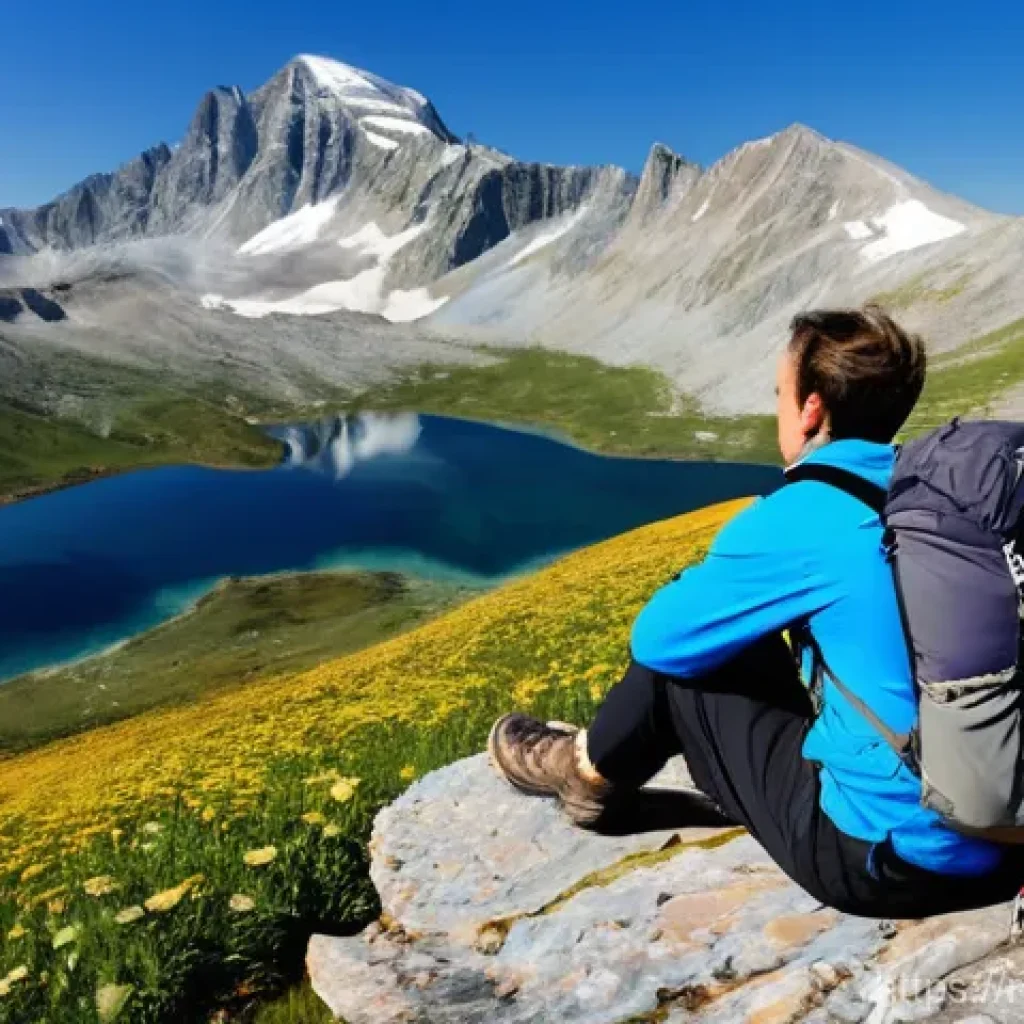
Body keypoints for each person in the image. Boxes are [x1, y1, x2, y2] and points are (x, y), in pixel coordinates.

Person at [488, 305, 1024, 919]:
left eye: (780, 393)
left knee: (689, 652)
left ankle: (583, 773)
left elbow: (658, 641)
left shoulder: (801, 515)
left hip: (889, 863)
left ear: (812, 409)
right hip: (1006, 847)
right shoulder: (944, 505)